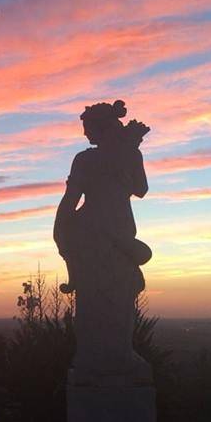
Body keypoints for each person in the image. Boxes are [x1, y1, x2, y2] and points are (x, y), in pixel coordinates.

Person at [53, 100, 153, 383]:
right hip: (95, 235)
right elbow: (71, 201)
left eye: (88, 128)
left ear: (104, 127)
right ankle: (95, 356)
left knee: (119, 295)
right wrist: (63, 232)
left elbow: (140, 189)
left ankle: (117, 354)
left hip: (117, 236)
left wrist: (128, 153)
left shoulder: (113, 156)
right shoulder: (87, 159)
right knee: (94, 298)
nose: (86, 134)